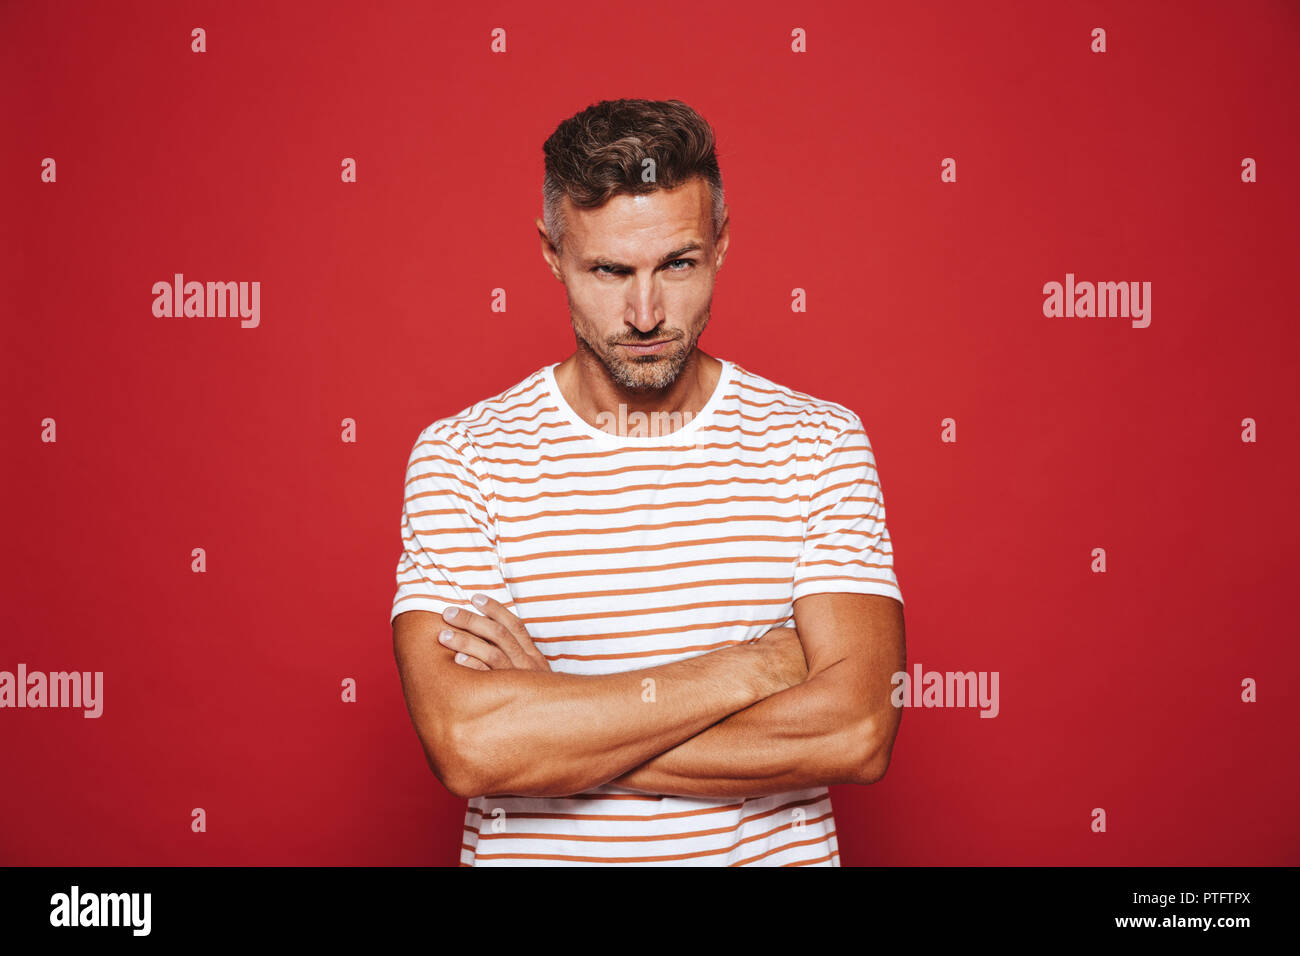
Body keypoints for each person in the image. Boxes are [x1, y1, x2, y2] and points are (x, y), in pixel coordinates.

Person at [391, 98, 906, 866]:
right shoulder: (463, 458)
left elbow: (857, 730)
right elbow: (471, 746)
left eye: (678, 263)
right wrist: (754, 666)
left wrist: (560, 718)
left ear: (722, 244)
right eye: (608, 270)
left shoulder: (819, 443)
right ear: (551, 254)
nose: (645, 313)